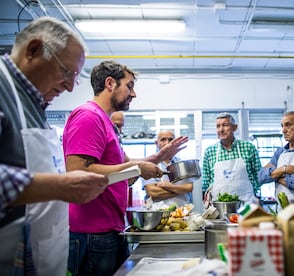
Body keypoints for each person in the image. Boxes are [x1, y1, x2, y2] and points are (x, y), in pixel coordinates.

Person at [0, 17, 109, 275]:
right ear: (34, 50)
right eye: (66, 72)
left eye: (75, 77)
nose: (70, 86)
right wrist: (59, 186)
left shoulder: (33, 102)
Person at [62, 60, 188, 276]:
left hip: (109, 229)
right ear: (110, 83)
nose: (134, 94)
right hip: (92, 231)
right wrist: (137, 167)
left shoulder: (107, 122)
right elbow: (76, 172)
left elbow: (126, 175)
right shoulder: (89, 116)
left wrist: (159, 157)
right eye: (129, 86)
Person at [202, 112, 262, 203]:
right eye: (218, 126)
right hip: (219, 205)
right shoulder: (210, 151)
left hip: (246, 205)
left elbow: (259, 175)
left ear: (235, 127)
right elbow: (206, 182)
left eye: (225, 125)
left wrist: (254, 194)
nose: (221, 129)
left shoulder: (249, 148)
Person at [143, 130, 193, 206]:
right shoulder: (149, 164)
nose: (167, 143)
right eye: (163, 139)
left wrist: (167, 186)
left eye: (170, 140)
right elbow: (153, 192)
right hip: (157, 214)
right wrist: (180, 190)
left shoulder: (182, 164)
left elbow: (189, 187)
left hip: (182, 213)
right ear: (157, 143)